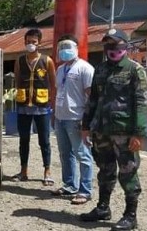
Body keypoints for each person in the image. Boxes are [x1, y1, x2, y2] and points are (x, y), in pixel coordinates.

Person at [79, 28, 147, 231]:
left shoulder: (135, 70)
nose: (111, 48)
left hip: (124, 132)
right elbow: (92, 100)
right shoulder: (100, 70)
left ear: (125, 46)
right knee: (105, 170)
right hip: (101, 130)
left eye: (116, 44)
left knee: (128, 172)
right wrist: (86, 126)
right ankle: (103, 208)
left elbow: (142, 103)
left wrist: (138, 133)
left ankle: (130, 216)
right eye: (108, 44)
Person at [51, 35, 95, 205]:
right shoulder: (61, 69)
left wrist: (88, 121)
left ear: (77, 48)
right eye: (61, 47)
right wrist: (54, 114)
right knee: (65, 154)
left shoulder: (85, 68)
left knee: (82, 155)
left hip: (76, 118)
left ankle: (85, 190)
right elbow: (58, 92)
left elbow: (91, 95)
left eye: (68, 47)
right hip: (61, 117)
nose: (64, 51)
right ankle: (69, 184)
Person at [12, 28, 55, 185]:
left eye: (34, 42)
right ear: (24, 42)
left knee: (44, 139)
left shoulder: (47, 60)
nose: (30, 44)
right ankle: (24, 170)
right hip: (23, 106)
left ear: (39, 43)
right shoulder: (19, 60)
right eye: (28, 42)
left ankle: (47, 171)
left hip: (41, 106)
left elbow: (53, 82)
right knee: (23, 139)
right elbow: (17, 79)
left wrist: (52, 101)